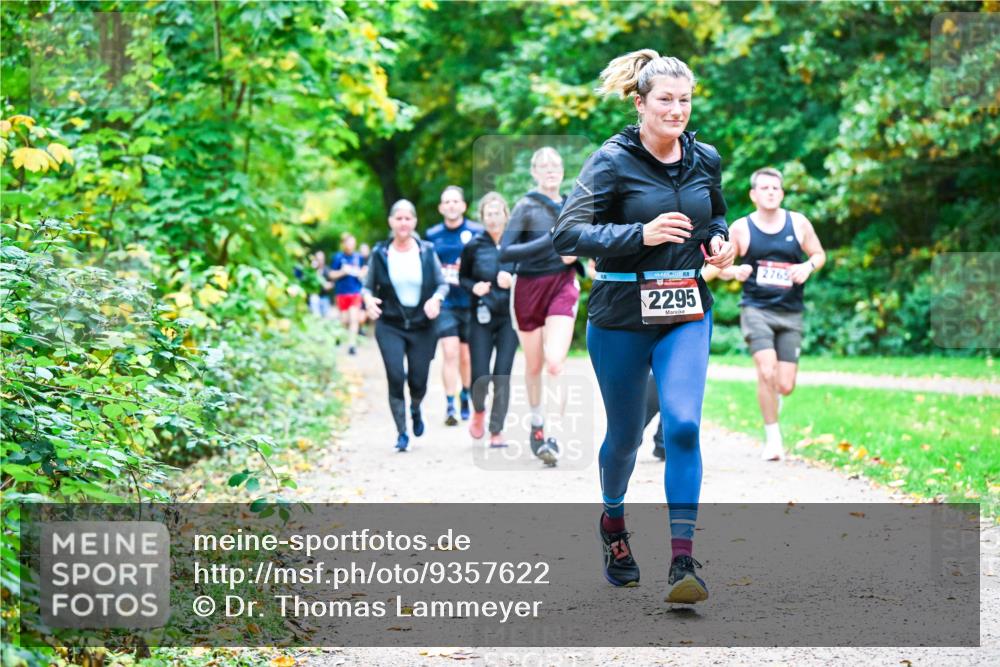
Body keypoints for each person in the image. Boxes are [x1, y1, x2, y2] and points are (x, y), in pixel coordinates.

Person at [552, 50, 735, 603]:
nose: (676, 110)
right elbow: (567, 234)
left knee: (683, 426)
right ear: (640, 102)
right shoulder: (610, 162)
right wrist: (640, 234)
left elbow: (715, 213)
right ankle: (613, 524)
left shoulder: (705, 157)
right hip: (621, 314)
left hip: (686, 309)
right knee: (626, 436)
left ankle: (683, 562)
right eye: (665, 100)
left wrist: (719, 240)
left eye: (685, 100)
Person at [716, 167, 826, 461]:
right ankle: (773, 440)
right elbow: (719, 266)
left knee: (785, 385)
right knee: (766, 371)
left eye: (775, 188)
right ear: (753, 195)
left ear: (782, 193)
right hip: (756, 309)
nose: (770, 192)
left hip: (790, 311)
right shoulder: (741, 228)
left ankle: (774, 398)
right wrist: (734, 271)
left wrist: (807, 267)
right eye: (764, 188)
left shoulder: (798, 223)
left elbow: (819, 255)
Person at [500, 147, 581, 466]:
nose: (550, 170)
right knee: (533, 366)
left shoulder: (572, 205)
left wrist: (576, 252)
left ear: (562, 171)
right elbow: (506, 251)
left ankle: (554, 435)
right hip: (528, 288)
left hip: (562, 284)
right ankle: (537, 422)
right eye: (543, 166)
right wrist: (549, 239)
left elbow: (584, 241)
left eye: (555, 165)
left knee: (555, 363)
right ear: (534, 172)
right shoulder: (526, 206)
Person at [362, 200, 449, 452]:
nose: (403, 223)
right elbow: (367, 286)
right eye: (398, 218)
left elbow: (442, 283)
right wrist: (368, 300)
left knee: (418, 381)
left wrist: (436, 299)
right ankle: (402, 433)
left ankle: (416, 407)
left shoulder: (427, 251)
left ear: (414, 222)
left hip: (422, 325)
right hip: (390, 324)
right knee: (395, 375)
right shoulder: (380, 253)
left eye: (407, 219)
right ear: (391, 222)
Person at [459, 192, 519, 448]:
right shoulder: (474, 245)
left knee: (502, 374)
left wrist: (513, 281)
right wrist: (474, 287)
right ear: (482, 218)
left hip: (510, 318)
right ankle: (478, 410)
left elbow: (529, 275)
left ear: (506, 215)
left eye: (497, 213)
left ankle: (496, 430)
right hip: (481, 316)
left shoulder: (517, 243)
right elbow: (463, 278)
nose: (493, 218)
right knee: (480, 375)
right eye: (488, 214)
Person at [426, 186, 484, 425]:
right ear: (441, 208)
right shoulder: (432, 235)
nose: (451, 205)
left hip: (470, 302)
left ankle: (465, 396)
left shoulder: (477, 232)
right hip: (446, 301)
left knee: (466, 357)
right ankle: (450, 405)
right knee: (449, 352)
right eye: (446, 202)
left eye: (455, 201)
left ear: (463, 206)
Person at [329, 233, 365, 355]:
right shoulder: (338, 257)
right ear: (344, 244)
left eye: (353, 243)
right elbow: (331, 274)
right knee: (344, 320)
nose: (350, 245)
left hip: (355, 292)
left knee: (354, 318)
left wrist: (361, 274)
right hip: (342, 293)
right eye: (348, 242)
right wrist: (343, 272)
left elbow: (364, 271)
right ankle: (338, 336)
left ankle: (352, 345)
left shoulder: (358, 257)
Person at [357, 242, 372, 336]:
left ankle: (361, 328)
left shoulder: (372, 260)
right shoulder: (357, 260)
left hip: (369, 290)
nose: (363, 252)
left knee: (366, 310)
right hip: (358, 290)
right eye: (362, 250)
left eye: (365, 249)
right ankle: (359, 328)